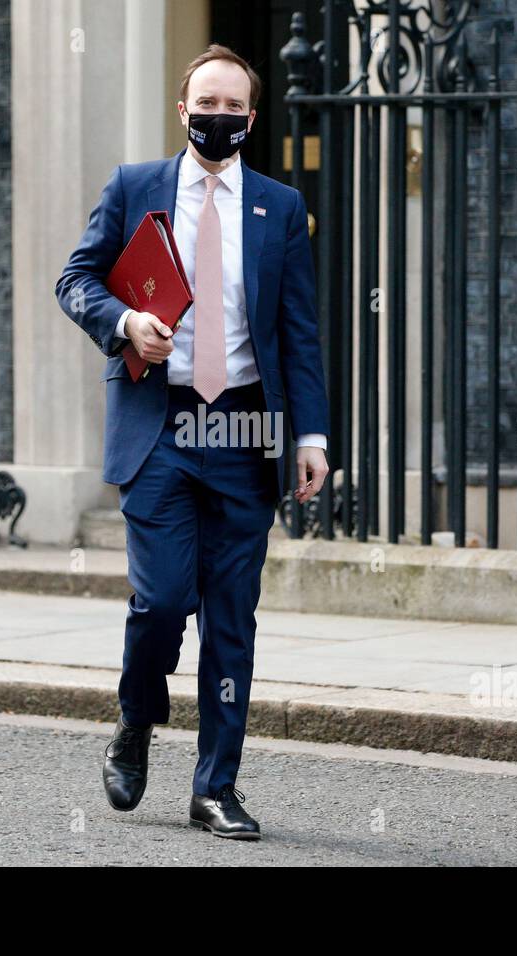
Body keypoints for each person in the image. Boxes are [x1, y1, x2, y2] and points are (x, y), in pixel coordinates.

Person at [55, 44, 329, 840]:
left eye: (233, 107)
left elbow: (298, 333)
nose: (218, 117)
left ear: (250, 118)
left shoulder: (279, 208)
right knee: (166, 598)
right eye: (204, 103)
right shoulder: (135, 186)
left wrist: (307, 434)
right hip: (163, 427)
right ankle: (137, 716)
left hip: (245, 431)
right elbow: (76, 278)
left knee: (232, 620)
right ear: (184, 111)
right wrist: (122, 322)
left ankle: (216, 787)